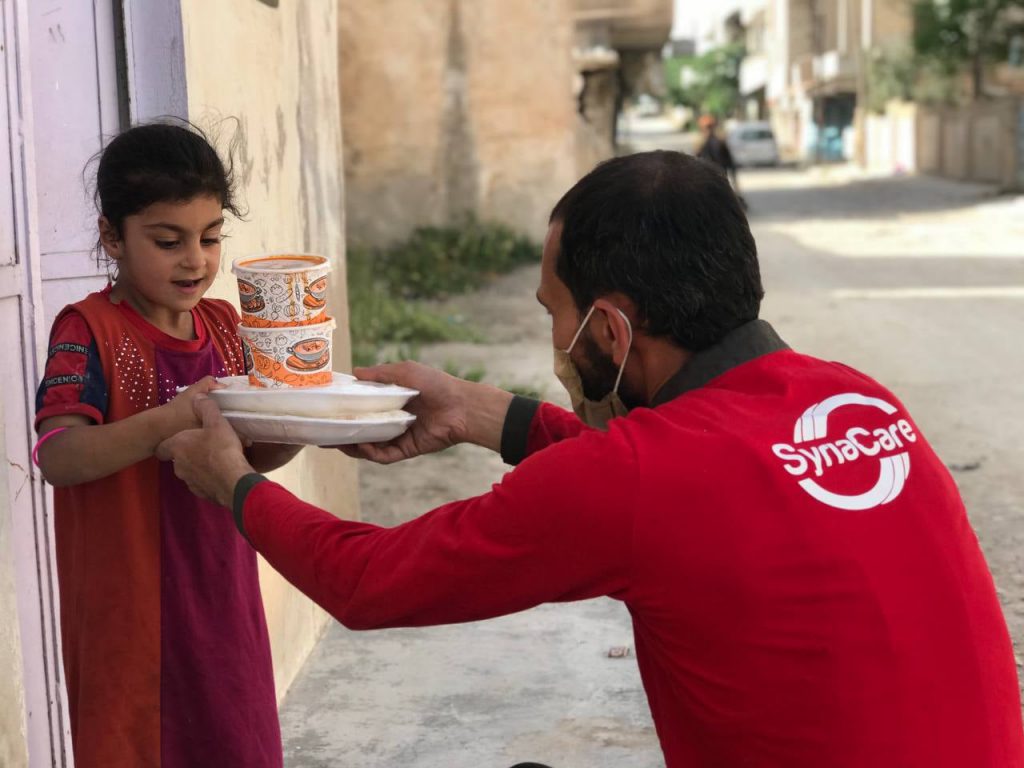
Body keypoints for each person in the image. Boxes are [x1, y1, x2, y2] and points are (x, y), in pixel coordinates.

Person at [161, 150, 1024, 767]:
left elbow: (369, 581)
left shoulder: (642, 481)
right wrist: (479, 412)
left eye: (555, 313)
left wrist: (232, 481)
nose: (555, 338)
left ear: (609, 328)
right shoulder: (856, 400)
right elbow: (674, 494)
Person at [34, 122, 301, 767]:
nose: (196, 261)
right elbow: (59, 457)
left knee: (234, 742)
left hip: (220, 592)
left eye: (210, 238)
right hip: (129, 610)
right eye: (168, 241)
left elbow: (249, 457)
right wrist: (169, 420)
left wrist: (301, 422)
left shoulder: (225, 326)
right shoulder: (88, 329)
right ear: (112, 237)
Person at [696, 114, 743, 208]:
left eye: (710, 127)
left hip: (720, 178)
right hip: (705, 180)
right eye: (706, 127)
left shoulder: (720, 142)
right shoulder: (699, 144)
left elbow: (729, 161)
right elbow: (695, 163)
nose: (708, 130)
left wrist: (735, 182)